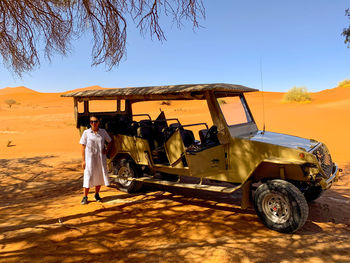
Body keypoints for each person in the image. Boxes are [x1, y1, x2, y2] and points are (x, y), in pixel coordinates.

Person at [79, 116, 112, 204]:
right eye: (92, 122)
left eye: (95, 121)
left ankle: (97, 194)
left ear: (98, 122)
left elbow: (110, 141)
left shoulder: (103, 132)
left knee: (99, 175)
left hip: (100, 158)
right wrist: (83, 160)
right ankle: (85, 196)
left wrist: (106, 150)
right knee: (88, 176)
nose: (94, 123)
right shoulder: (86, 132)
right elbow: (83, 146)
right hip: (89, 159)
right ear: (90, 123)